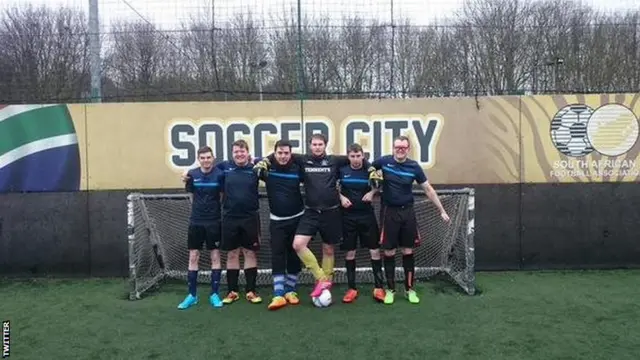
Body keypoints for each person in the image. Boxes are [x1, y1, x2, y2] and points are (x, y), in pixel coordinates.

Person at [255, 134, 382, 298]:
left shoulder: (335, 160)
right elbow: (279, 154)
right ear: (309, 146)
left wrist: (371, 169)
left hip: (332, 212)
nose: (317, 147)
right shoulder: (301, 160)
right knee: (298, 244)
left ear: (325, 145)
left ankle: (325, 290)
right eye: (314, 144)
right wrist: (264, 160)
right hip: (311, 211)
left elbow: (358, 158)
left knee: (328, 249)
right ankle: (322, 278)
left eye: (320, 144)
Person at [372, 135, 450, 305]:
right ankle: (391, 290)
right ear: (393, 147)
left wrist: (441, 210)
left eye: (403, 147)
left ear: (408, 149)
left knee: (408, 251)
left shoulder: (414, 166)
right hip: (388, 213)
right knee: (389, 252)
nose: (400, 150)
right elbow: (366, 167)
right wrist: (372, 186)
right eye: (397, 147)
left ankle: (409, 290)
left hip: (407, 213)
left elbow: (428, 189)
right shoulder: (383, 162)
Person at [257, 140, 305, 310]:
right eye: (280, 153)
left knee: (294, 252)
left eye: (286, 153)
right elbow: (249, 162)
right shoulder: (266, 168)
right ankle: (278, 293)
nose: (283, 156)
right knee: (277, 254)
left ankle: (291, 290)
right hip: (277, 220)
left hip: (297, 218)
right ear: (275, 153)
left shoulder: (298, 166)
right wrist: (266, 159)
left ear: (290, 154)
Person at [216, 139, 263, 305]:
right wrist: (188, 174)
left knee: (250, 253)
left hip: (250, 217)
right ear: (232, 153)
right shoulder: (224, 167)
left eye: (242, 151)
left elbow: (268, 163)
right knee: (232, 254)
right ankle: (232, 291)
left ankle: (251, 290)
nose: (239, 154)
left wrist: (258, 159)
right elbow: (203, 169)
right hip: (229, 217)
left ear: (247, 153)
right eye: (236, 151)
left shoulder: (256, 168)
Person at [177, 146, 224, 310]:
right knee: (193, 257)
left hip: (214, 222)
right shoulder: (192, 175)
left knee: (215, 256)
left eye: (208, 157)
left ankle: (215, 294)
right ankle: (192, 295)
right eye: (202, 158)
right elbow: (191, 195)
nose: (206, 160)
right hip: (196, 222)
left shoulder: (219, 174)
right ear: (199, 159)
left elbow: (222, 196)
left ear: (213, 158)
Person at [338, 143, 385, 303]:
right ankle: (352, 288)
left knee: (375, 250)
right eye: (352, 156)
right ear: (348, 156)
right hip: (347, 217)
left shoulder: (370, 171)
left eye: (358, 156)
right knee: (350, 252)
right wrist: (341, 198)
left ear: (363, 156)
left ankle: (379, 287)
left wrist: (372, 192)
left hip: (367, 216)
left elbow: (381, 185)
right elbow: (333, 187)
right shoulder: (342, 171)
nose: (356, 159)